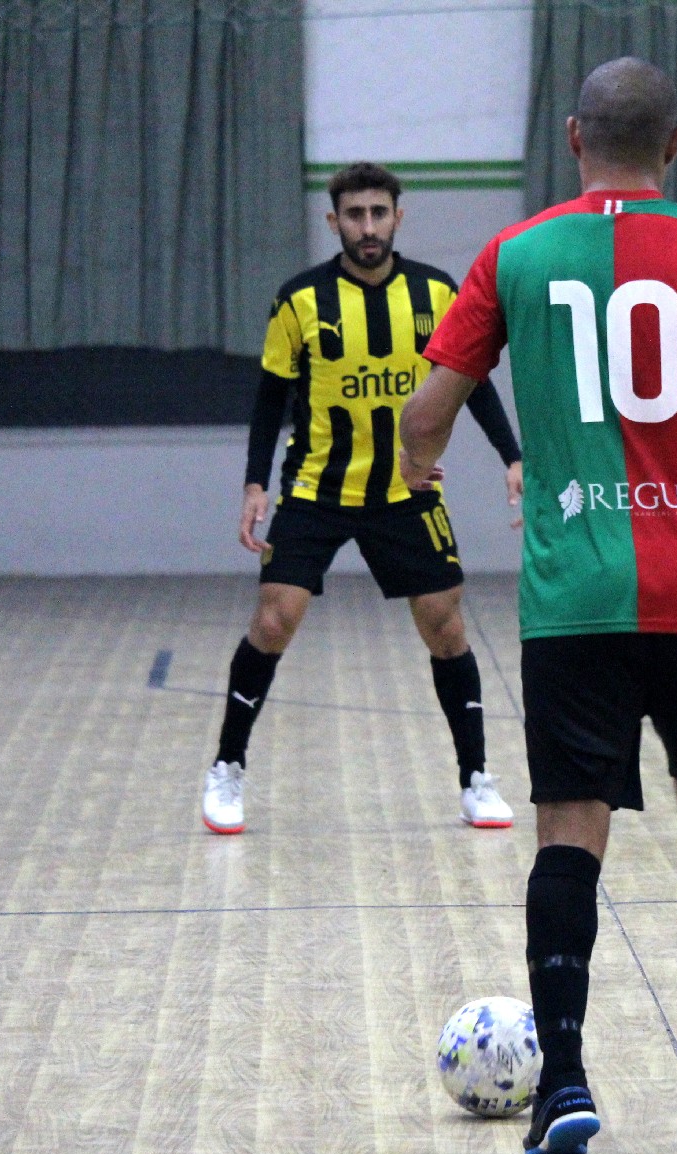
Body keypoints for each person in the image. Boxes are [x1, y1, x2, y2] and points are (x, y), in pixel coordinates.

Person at [400, 57, 677, 1154]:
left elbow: (426, 411)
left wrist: (419, 474)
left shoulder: (515, 254)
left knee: (568, 835)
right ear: (674, 145)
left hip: (575, 596)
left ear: (572, 136)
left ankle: (569, 1084)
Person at [200, 163, 523, 835]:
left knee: (446, 625)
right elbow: (269, 400)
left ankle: (474, 779)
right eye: (355, 214)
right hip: (318, 489)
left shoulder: (436, 292)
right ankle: (227, 767)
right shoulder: (299, 301)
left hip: (407, 490)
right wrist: (256, 483)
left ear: (398, 216)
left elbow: (472, 381)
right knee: (272, 620)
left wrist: (512, 455)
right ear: (334, 221)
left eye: (379, 212)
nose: (368, 226)